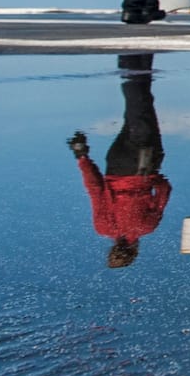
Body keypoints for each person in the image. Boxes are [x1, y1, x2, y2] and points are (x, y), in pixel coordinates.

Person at [68, 53, 170, 268]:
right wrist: (82, 157)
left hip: (144, 163)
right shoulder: (103, 227)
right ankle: (141, 57)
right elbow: (95, 189)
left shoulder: (147, 227)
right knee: (139, 109)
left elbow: (164, 192)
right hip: (115, 163)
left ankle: (131, 57)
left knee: (140, 106)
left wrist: (154, 178)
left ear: (134, 251)